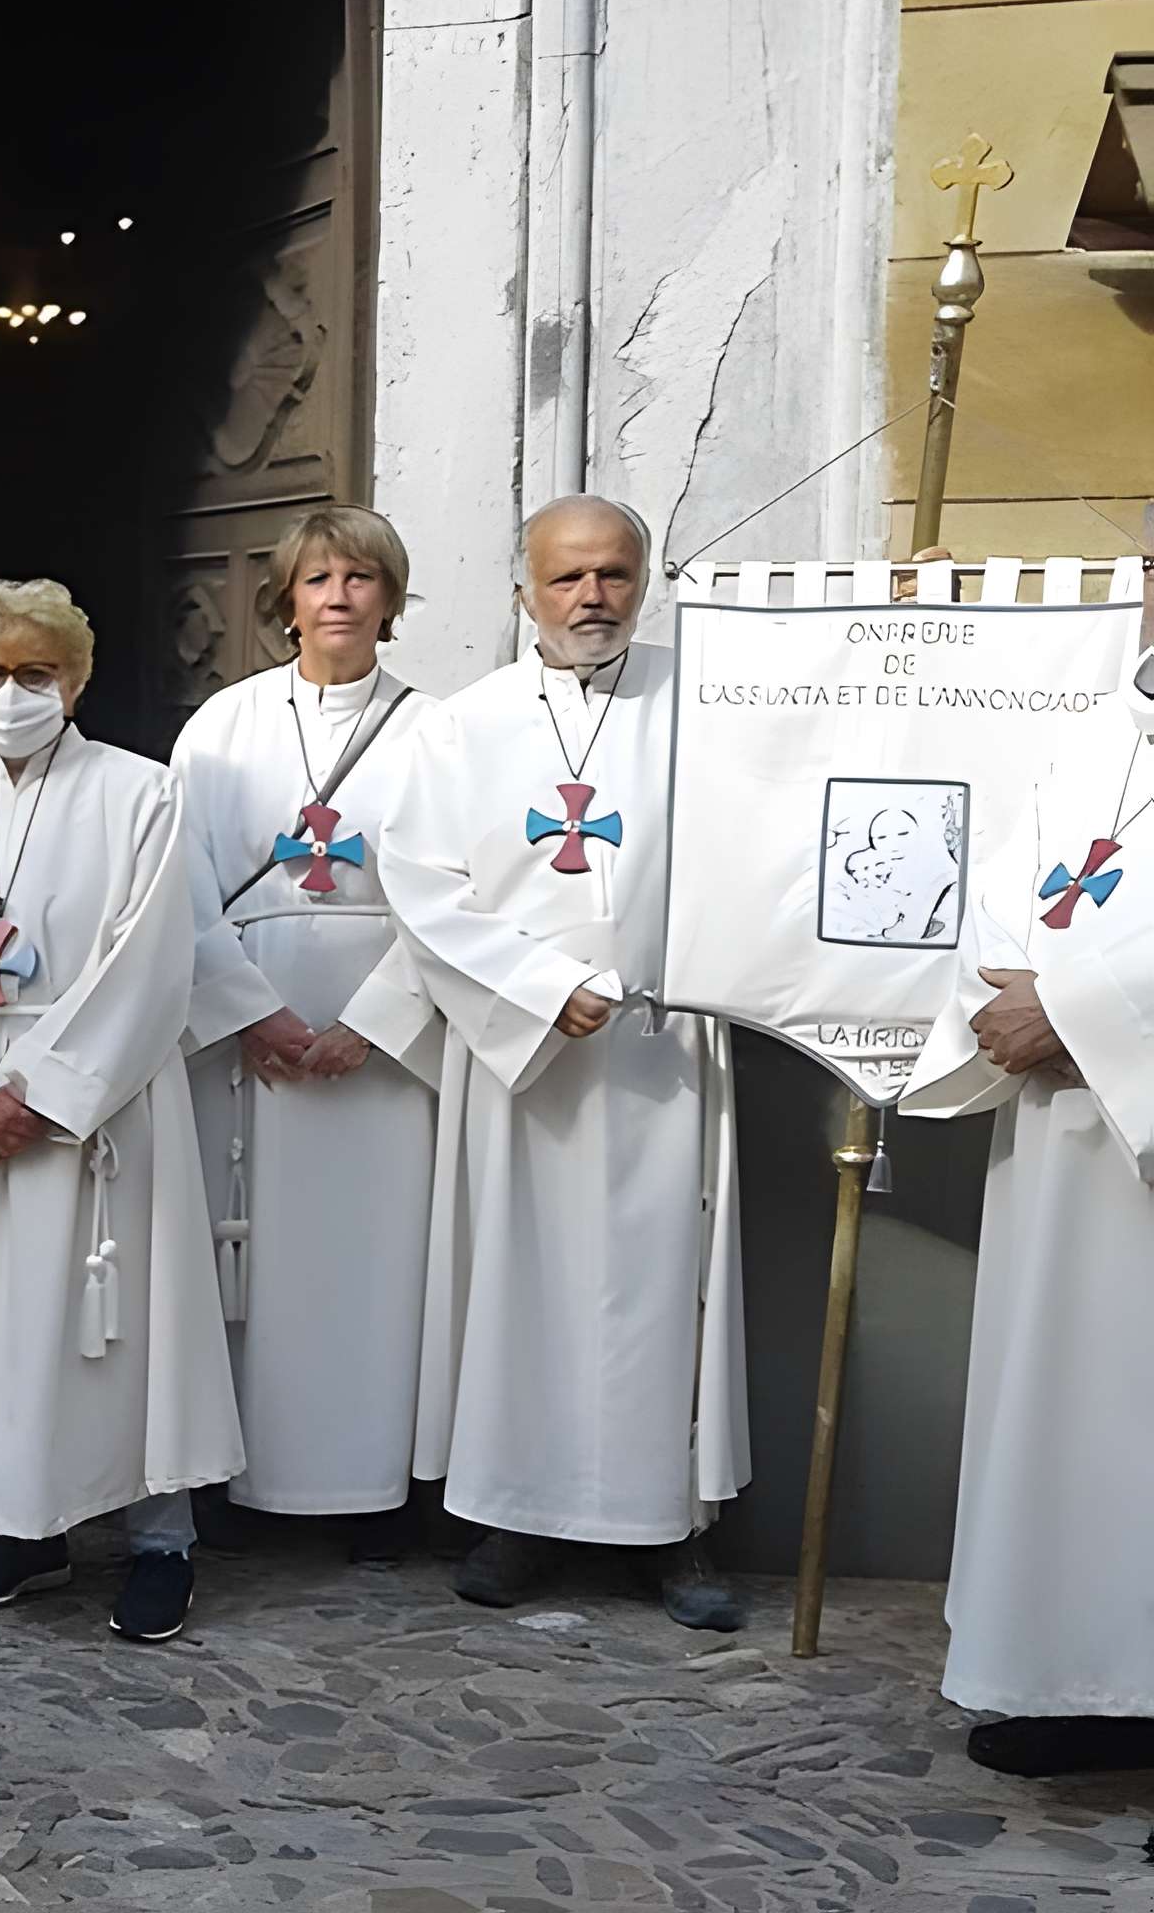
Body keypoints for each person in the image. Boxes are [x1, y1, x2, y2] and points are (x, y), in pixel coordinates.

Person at [358, 496, 747, 1630]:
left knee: (668, 1292)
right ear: (524, 589)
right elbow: (421, 881)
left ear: (644, 582)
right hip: (520, 1050)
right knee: (520, 1284)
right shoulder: (461, 726)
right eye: (570, 577)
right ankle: (515, 1515)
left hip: (667, 1047)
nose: (594, 598)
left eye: (616, 575)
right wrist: (538, 989)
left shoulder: (707, 705)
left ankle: (671, 1530)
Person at [0, 579, 242, 1643]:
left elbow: (152, 962)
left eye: (35, 674)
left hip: (101, 1112)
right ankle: (16, 1530)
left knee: (119, 1329)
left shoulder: (141, 796)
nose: (11, 694)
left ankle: (161, 1538)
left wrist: (50, 1091)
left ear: (74, 681)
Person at [900, 618, 1154, 1779]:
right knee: (1058, 1406)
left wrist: (1080, 1012)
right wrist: (1021, 1003)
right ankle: (1072, 1680)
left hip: (1131, 1121)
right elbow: (1005, 895)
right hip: (1055, 1130)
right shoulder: (1101, 735)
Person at [168, 506, 441, 1558]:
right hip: (252, 1037)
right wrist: (253, 1013)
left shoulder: (434, 731)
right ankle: (236, 1482)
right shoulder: (222, 728)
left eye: (362, 577)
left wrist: (371, 1024)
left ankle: (369, 1492)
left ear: (390, 598)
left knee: (375, 1261)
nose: (338, 596)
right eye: (318, 578)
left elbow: (461, 891)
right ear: (286, 599)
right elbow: (179, 887)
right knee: (251, 1263)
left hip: (380, 1040)